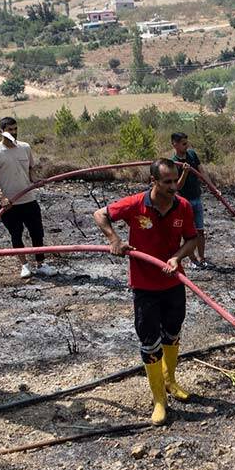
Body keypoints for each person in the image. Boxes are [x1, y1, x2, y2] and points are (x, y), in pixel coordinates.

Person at [93, 159, 199, 426]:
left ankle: (170, 381)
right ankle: (159, 400)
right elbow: (100, 214)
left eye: (175, 181)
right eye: (167, 182)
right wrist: (114, 239)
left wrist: (176, 258)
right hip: (145, 287)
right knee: (149, 339)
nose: (174, 186)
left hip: (174, 283)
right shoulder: (135, 205)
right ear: (153, 182)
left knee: (173, 332)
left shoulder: (182, 206)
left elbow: (193, 239)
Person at [0, 117, 45, 279]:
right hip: (9, 205)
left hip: (29, 200)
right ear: (1, 131)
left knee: (37, 233)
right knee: (16, 234)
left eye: (15, 129)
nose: (13, 132)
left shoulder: (25, 148)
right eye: (10, 129)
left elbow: (31, 169)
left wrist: (35, 180)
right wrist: (1, 197)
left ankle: (41, 264)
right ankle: (24, 266)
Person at [171, 132, 215, 267]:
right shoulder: (173, 163)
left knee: (200, 230)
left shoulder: (192, 155)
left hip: (197, 198)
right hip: (184, 203)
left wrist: (213, 187)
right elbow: (177, 186)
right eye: (183, 144)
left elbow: (202, 172)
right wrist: (184, 172)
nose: (186, 146)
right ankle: (193, 260)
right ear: (175, 144)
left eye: (187, 143)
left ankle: (202, 259)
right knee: (189, 234)